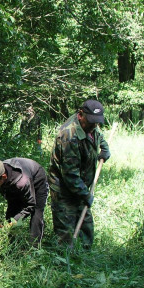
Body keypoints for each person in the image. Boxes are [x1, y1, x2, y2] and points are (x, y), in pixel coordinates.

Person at [48, 99, 110, 249]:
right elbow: (70, 175)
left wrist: (104, 148)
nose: (94, 125)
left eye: (97, 122)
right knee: (66, 232)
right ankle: (64, 258)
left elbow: (98, 135)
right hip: (64, 188)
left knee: (86, 226)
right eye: (91, 122)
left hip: (80, 185)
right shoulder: (68, 136)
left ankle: (85, 255)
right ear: (80, 115)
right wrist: (85, 195)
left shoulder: (90, 125)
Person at [0, 158, 49, 246]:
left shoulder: (22, 181)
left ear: (3, 177)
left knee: (36, 212)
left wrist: (12, 223)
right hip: (13, 181)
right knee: (12, 210)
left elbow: (30, 205)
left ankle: (34, 246)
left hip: (37, 177)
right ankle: (12, 243)